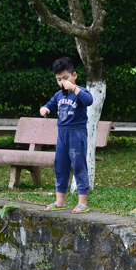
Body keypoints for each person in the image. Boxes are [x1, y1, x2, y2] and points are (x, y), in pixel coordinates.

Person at [40, 57, 94, 213]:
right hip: (62, 135)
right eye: (59, 79)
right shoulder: (59, 95)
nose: (63, 82)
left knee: (78, 165)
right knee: (60, 165)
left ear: (74, 75)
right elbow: (50, 104)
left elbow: (89, 100)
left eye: (66, 78)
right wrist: (45, 108)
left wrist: (74, 88)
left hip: (77, 134)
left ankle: (82, 202)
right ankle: (60, 201)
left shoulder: (80, 91)